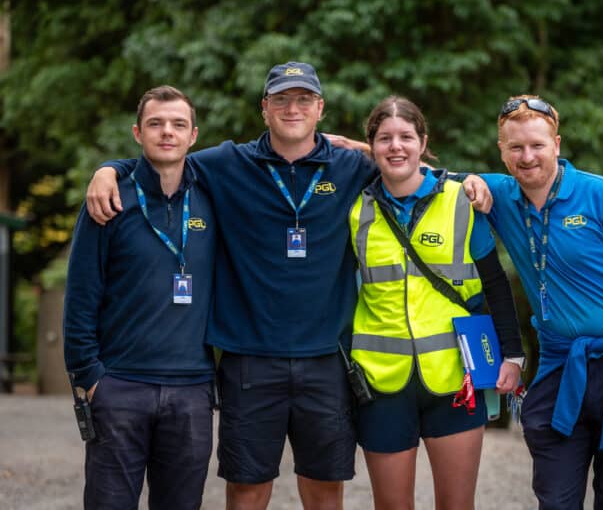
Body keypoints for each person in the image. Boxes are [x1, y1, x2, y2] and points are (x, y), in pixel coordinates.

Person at [84, 62, 493, 510]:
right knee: (247, 489)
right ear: (264, 109)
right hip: (248, 361)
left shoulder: (353, 166)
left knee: (323, 489)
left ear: (320, 108)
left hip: (327, 362)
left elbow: (409, 167)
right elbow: (165, 155)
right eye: (280, 99)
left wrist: (467, 179)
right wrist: (109, 169)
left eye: (303, 100)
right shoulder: (228, 164)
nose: (291, 108)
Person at [482, 95, 603, 509]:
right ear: (502, 151)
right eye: (515, 147)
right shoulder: (497, 194)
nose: (527, 156)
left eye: (537, 145)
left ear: (557, 144)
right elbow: (410, 168)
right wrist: (339, 147)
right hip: (558, 364)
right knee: (555, 498)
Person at [348, 96, 526, 509]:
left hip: (455, 379)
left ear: (423, 142)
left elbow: (494, 283)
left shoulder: (462, 198)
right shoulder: (355, 208)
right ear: (371, 146)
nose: (396, 147)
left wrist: (512, 355)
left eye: (406, 137)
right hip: (380, 382)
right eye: (385, 138)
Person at [64, 86, 217, 509]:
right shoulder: (109, 199)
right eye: (155, 124)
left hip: (192, 389)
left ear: (193, 135)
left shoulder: (214, 196)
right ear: (137, 133)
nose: (167, 132)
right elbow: (80, 293)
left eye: (178, 125)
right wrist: (89, 378)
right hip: (119, 386)